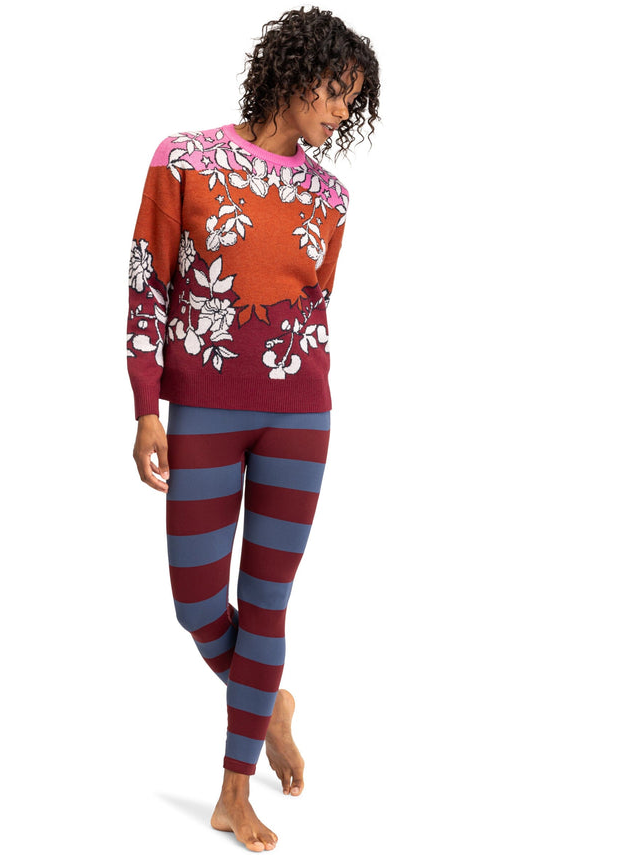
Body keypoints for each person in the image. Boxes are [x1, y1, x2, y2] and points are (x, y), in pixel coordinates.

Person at [127, 7, 380, 850]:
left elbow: (313, 304)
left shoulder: (331, 197)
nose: (342, 112)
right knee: (197, 603)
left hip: (300, 415)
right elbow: (148, 282)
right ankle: (270, 703)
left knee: (267, 601)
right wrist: (146, 405)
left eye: (352, 101)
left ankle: (234, 792)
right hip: (203, 409)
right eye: (335, 92)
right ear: (294, 73)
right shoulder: (183, 159)